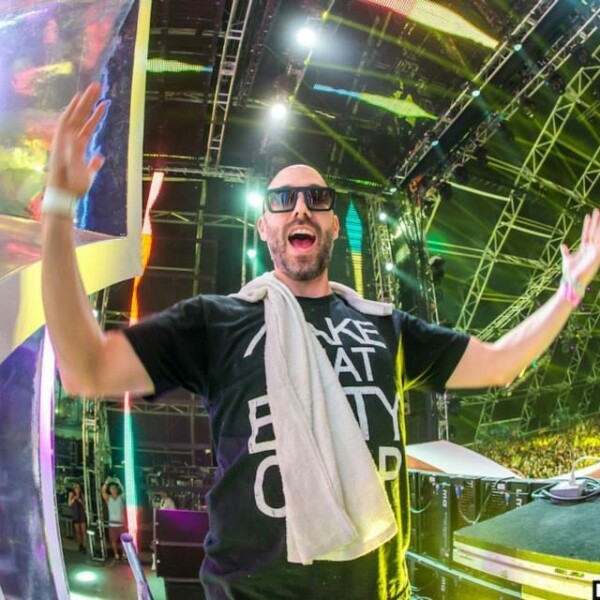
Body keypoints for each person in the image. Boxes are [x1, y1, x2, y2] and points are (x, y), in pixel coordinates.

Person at [41, 83, 600, 599]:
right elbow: (87, 368)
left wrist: (569, 292)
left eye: (316, 197)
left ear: (332, 224)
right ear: (264, 227)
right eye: (283, 199)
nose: (300, 207)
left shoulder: (386, 325)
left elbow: (501, 363)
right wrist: (60, 211)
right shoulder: (217, 321)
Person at [101, 477, 126, 562]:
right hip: (112, 524)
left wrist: (119, 482)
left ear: (117, 489)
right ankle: (116, 555)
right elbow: (103, 492)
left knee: (123, 540)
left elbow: (124, 491)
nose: (113, 490)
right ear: (110, 490)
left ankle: (124, 554)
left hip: (121, 523)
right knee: (113, 540)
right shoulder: (108, 498)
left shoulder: (121, 497)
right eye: (112, 489)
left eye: (115, 488)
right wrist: (106, 482)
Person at [67, 482, 87, 554]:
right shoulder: (71, 494)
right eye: (76, 487)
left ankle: (84, 546)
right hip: (75, 514)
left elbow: (85, 506)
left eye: (78, 487)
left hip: (82, 514)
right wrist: (74, 498)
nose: (77, 489)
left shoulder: (82, 495)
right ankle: (80, 545)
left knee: (83, 531)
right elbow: (69, 504)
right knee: (78, 531)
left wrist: (81, 501)